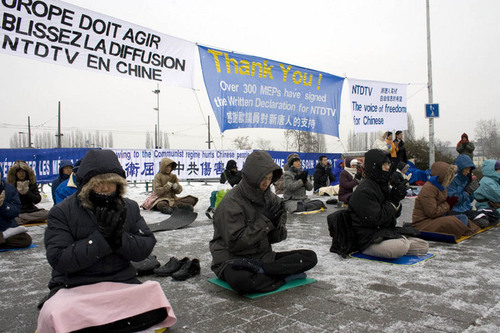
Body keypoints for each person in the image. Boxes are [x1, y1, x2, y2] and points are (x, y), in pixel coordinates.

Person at [37, 149, 176, 332]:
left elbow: (145, 245)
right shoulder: (62, 212)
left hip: (121, 282)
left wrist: (119, 238)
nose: (105, 188)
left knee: (156, 299)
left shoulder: (130, 207)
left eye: (110, 183)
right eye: (98, 183)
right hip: (75, 287)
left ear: (118, 185)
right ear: (86, 185)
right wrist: (100, 239)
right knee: (57, 313)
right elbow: (59, 258)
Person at [209, 150, 317, 294]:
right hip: (233, 260)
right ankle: (281, 275)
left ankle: (265, 273)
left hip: (262, 257)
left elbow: (275, 238)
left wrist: (278, 222)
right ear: (253, 177)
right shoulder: (231, 203)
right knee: (243, 281)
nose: (266, 183)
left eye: (269, 178)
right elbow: (236, 244)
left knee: (309, 257)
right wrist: (265, 222)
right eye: (263, 179)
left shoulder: (269, 197)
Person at [348, 149, 428, 259]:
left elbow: (394, 214)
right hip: (367, 238)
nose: (388, 167)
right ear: (375, 166)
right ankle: (393, 245)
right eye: (384, 164)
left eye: (388, 164)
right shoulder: (365, 190)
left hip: (382, 232)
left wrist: (397, 197)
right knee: (401, 246)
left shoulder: (382, 185)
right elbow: (376, 219)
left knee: (423, 246)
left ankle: (398, 243)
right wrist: (393, 201)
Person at [412, 161, 482, 239]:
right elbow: (432, 212)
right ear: (442, 176)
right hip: (424, 222)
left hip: (437, 218)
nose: (451, 179)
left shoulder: (441, 187)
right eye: (449, 176)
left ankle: (465, 227)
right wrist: (448, 204)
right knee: (453, 222)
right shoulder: (429, 189)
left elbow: (444, 205)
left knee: (462, 217)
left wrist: (451, 203)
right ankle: (462, 228)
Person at [447, 155, 488, 227]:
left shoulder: (467, 180)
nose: (468, 171)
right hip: (456, 211)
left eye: (469, 169)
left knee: (492, 215)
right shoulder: (451, 181)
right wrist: (466, 192)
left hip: (467, 210)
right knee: (481, 221)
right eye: (466, 169)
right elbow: (452, 201)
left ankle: (470, 223)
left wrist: (472, 191)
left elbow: (470, 201)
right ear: (460, 168)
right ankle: (469, 223)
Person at [6, 160, 49, 225]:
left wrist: (27, 193)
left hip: (31, 211)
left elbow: (37, 199)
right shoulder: (10, 185)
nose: (21, 174)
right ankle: (26, 219)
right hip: (18, 212)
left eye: (23, 172)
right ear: (15, 173)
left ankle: (25, 219)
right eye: (19, 172)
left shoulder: (31, 183)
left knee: (48, 213)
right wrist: (19, 193)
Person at [0, 168, 32, 249]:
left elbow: (15, 212)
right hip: (6, 233)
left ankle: (3, 237)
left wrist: (3, 205)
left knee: (25, 239)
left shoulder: (9, 189)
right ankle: (3, 238)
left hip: (5, 226)